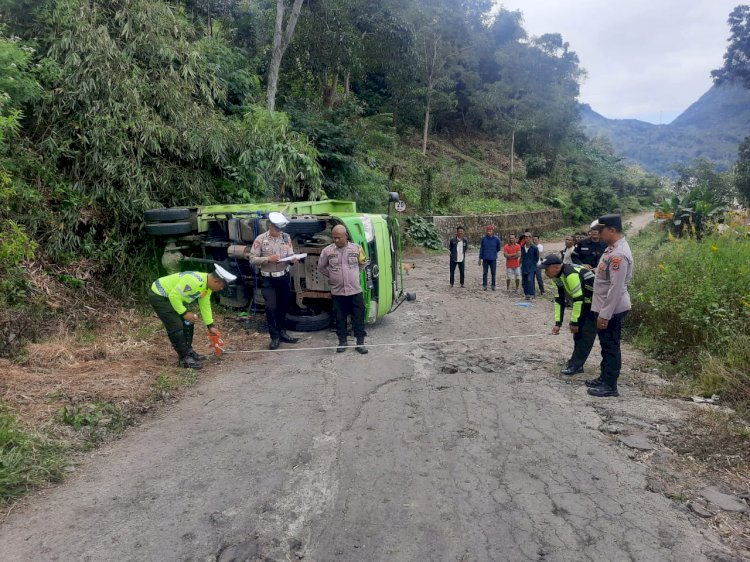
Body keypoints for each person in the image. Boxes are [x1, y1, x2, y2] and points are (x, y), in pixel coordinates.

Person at [148, 264, 236, 369]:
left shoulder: (206, 287)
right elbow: (174, 296)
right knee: (176, 325)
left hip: (173, 297)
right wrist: (184, 313)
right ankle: (184, 358)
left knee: (189, 322)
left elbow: (205, 305)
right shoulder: (194, 281)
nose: (221, 289)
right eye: (221, 286)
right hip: (160, 295)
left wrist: (210, 325)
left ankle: (188, 352)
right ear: (216, 281)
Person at [587, 214, 634, 397]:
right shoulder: (612, 249)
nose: (599, 234)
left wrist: (604, 315)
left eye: (602, 231)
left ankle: (610, 385)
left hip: (612, 309)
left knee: (611, 346)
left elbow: (615, 288)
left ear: (612, 230)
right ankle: (604, 377)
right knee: (605, 345)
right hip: (604, 306)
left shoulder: (618, 255)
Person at [249, 212, 301, 350]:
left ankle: (283, 332)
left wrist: (292, 259)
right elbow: (252, 259)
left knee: (284, 306)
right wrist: (267, 259)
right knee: (271, 308)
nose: (279, 231)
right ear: (270, 226)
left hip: (284, 277)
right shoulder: (260, 239)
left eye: (280, 229)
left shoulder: (286, 237)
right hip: (268, 279)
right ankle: (274, 336)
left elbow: (290, 254)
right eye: (277, 229)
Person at [540, 254, 598, 376]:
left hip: (595, 304)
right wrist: (558, 323)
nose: (545, 272)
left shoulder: (570, 273)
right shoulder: (557, 277)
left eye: (546, 269)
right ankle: (576, 363)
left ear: (556, 267)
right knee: (577, 335)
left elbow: (578, 299)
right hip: (585, 303)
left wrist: (574, 322)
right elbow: (558, 300)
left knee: (585, 335)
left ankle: (576, 365)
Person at [318, 225, 368, 354]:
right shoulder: (327, 251)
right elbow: (321, 267)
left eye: (339, 238)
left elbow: (363, 264)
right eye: (334, 238)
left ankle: (360, 343)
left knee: (358, 318)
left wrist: (354, 274)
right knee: (339, 319)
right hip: (338, 292)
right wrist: (333, 276)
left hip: (355, 292)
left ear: (345, 236)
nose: (336, 240)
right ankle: (342, 342)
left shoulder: (357, 249)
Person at [478, 225, 501, 291]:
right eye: (488, 231)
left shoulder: (496, 239)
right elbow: (481, 249)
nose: (489, 232)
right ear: (486, 231)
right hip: (485, 259)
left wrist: (493, 252)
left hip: (493, 259)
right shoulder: (483, 239)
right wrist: (480, 258)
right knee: (485, 273)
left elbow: (498, 248)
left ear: (492, 231)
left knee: (493, 273)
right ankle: (485, 285)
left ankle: (493, 285)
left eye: (490, 231)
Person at [519, 232, 539, 300]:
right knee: (524, 281)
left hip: (532, 267)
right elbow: (522, 256)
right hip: (524, 266)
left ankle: (532, 294)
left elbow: (537, 258)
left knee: (530, 280)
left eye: (527, 237)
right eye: (525, 238)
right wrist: (520, 263)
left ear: (531, 238)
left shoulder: (534, 248)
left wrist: (532, 264)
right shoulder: (522, 247)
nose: (526, 239)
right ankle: (527, 294)